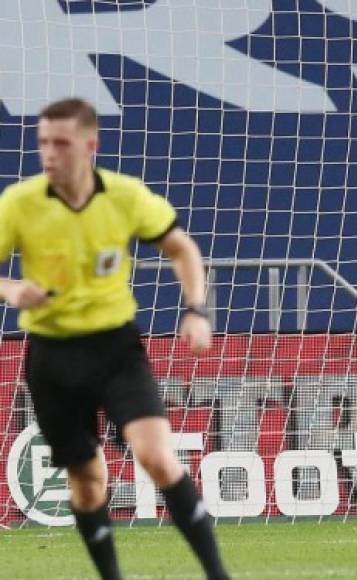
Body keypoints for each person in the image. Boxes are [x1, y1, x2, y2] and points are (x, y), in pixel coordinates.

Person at [0, 98, 228, 579]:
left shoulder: (125, 196)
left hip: (115, 349)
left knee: (156, 456)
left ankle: (217, 573)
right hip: (51, 357)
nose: (49, 153)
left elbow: (182, 249)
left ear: (89, 145)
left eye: (60, 143)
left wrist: (196, 310)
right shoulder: (19, 204)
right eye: (43, 142)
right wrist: (11, 288)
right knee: (86, 481)